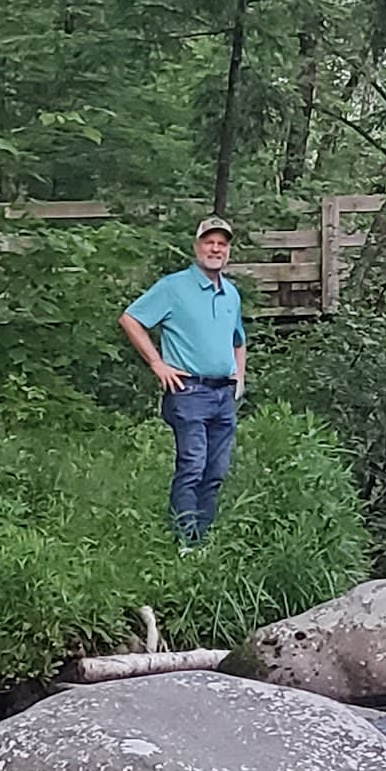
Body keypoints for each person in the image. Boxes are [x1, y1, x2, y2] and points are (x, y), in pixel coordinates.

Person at [119, 216, 247, 544]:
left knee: (215, 471)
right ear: (197, 246)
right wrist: (158, 364)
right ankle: (184, 543)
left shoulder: (231, 293)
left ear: (228, 251)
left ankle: (201, 540)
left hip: (223, 394)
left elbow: (238, 339)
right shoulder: (174, 287)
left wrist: (240, 377)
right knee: (192, 465)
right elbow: (131, 319)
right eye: (209, 242)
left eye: (222, 244)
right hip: (188, 390)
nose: (215, 249)